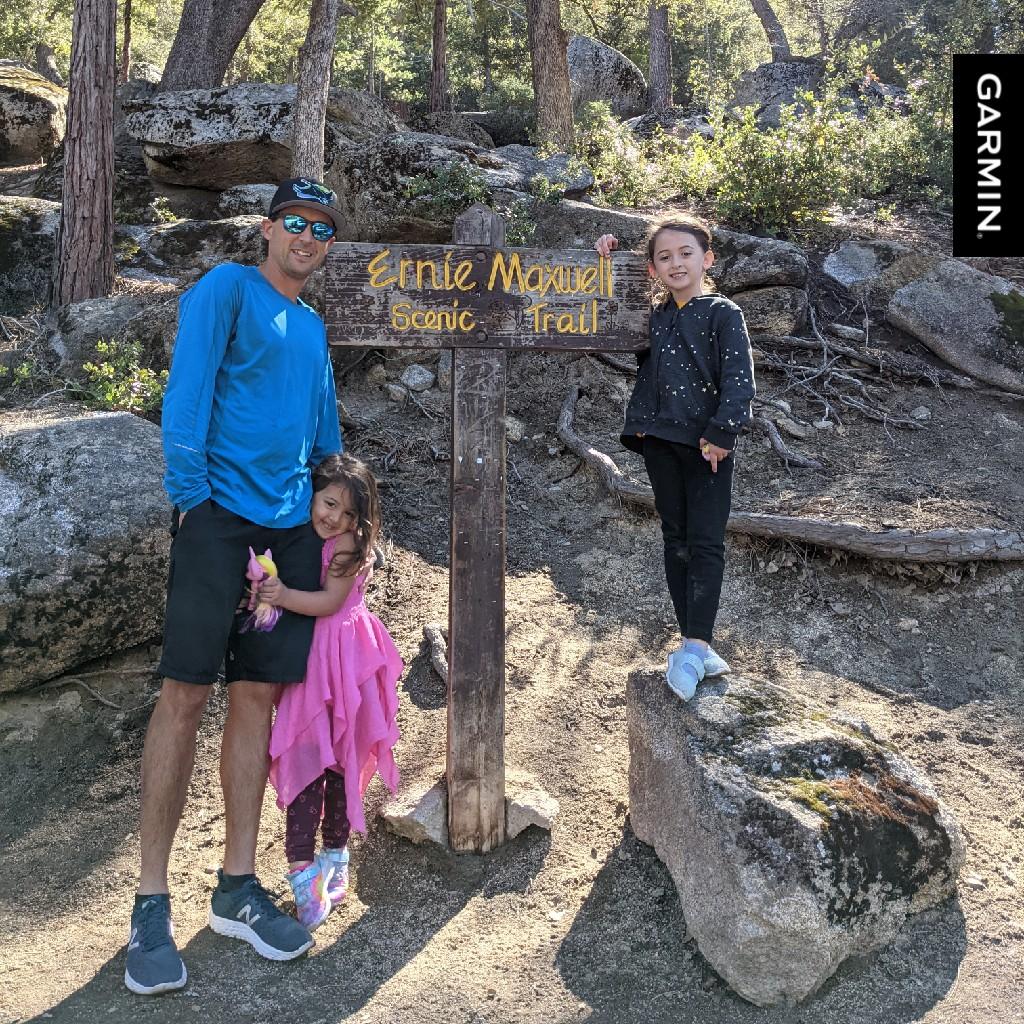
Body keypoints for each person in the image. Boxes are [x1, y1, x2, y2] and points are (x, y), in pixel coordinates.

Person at [126, 178, 345, 996]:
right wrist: (190, 500)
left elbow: (325, 435)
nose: (307, 237)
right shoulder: (227, 288)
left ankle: (236, 887)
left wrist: (344, 522)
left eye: (321, 229)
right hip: (215, 516)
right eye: (295, 222)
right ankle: (150, 903)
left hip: (289, 537)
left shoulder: (315, 327)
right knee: (184, 694)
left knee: (256, 700)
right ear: (268, 227)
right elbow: (186, 393)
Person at [596, 215, 755, 702]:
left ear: (706, 259)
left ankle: (695, 644)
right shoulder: (657, 316)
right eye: (664, 257)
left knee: (706, 542)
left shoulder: (722, 312)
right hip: (659, 439)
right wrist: (605, 262)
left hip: (707, 445)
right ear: (652, 269)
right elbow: (607, 316)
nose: (676, 263)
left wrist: (722, 431)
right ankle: (694, 643)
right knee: (675, 538)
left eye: (685, 253)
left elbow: (739, 379)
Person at [259, 453, 402, 931]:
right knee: (307, 761)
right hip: (313, 662)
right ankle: (302, 870)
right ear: (312, 494)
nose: (332, 517)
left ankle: (335, 856)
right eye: (328, 503)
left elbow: (329, 602)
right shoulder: (303, 530)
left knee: (342, 760)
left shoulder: (346, 545)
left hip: (347, 659)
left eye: (345, 512)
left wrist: (280, 595)